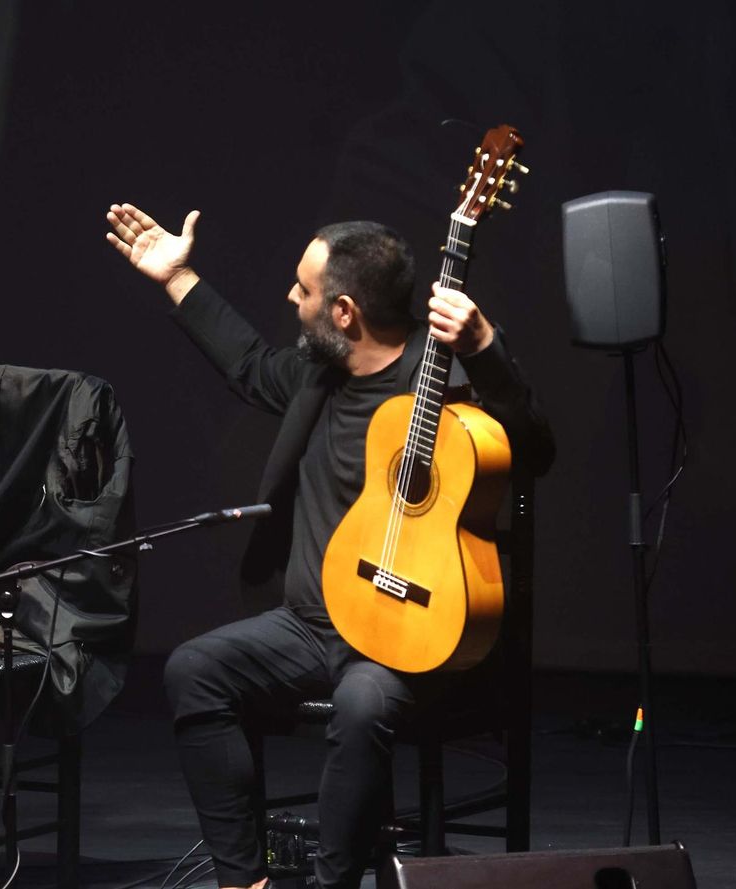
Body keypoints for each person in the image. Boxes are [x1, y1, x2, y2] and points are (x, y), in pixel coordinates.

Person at [105, 205, 554, 889]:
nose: (291, 298)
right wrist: (177, 276)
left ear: (343, 311)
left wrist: (485, 343)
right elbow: (249, 362)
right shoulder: (319, 375)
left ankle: (330, 884)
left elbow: (534, 447)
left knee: (363, 703)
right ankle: (244, 881)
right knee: (194, 668)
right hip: (310, 626)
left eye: (303, 289)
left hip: (411, 638)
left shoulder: (442, 387)